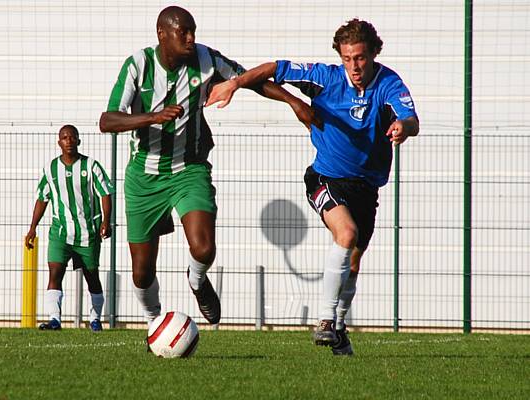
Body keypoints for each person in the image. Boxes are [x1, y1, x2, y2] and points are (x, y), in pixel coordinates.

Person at [206, 18, 419, 354]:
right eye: (347, 58)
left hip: (366, 186)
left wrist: (402, 127)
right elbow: (274, 68)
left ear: (374, 53)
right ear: (340, 56)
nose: (354, 66)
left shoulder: (389, 83)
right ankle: (325, 320)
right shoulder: (325, 78)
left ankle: (339, 324)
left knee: (352, 262)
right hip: (325, 177)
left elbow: (411, 119)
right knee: (345, 234)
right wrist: (234, 83)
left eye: (361, 58)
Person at [99, 6, 313, 326]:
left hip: (189, 168)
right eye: (183, 32)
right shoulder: (138, 65)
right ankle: (155, 321)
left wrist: (293, 101)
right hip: (144, 176)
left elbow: (248, 80)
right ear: (162, 34)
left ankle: (197, 280)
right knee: (142, 272)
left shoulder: (206, 59)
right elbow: (107, 120)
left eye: (193, 31)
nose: (190, 38)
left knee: (204, 249)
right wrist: (152, 117)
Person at [25, 124, 115, 332]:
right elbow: (42, 198)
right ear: (59, 142)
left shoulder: (91, 166)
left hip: (87, 232)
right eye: (64, 137)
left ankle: (95, 319)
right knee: (55, 271)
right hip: (60, 232)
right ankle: (55, 319)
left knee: (92, 276)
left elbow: (105, 194)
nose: (68, 141)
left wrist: (105, 221)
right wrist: (32, 228)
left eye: (72, 137)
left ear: (78, 141)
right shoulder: (50, 169)